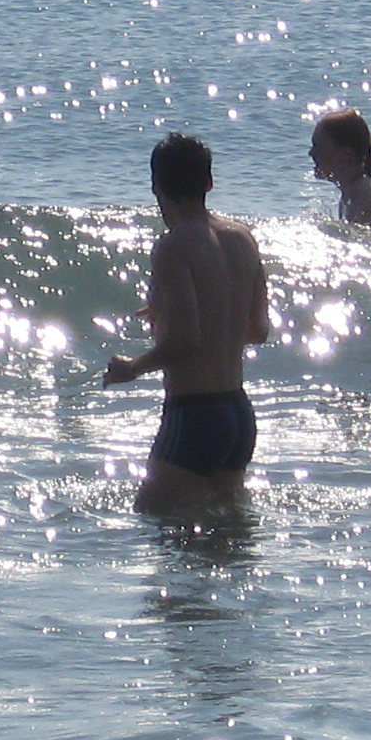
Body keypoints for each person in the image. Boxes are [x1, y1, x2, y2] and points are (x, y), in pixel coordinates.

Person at [103, 133, 273, 514]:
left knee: (152, 520)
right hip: (238, 414)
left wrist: (131, 368)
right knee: (227, 533)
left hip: (195, 415)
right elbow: (258, 330)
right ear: (209, 182)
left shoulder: (173, 245)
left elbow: (185, 338)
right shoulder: (243, 239)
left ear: (156, 186)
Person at [309, 107, 371, 228]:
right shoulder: (355, 190)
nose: (311, 153)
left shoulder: (364, 195)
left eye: (318, 147)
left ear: (345, 156)